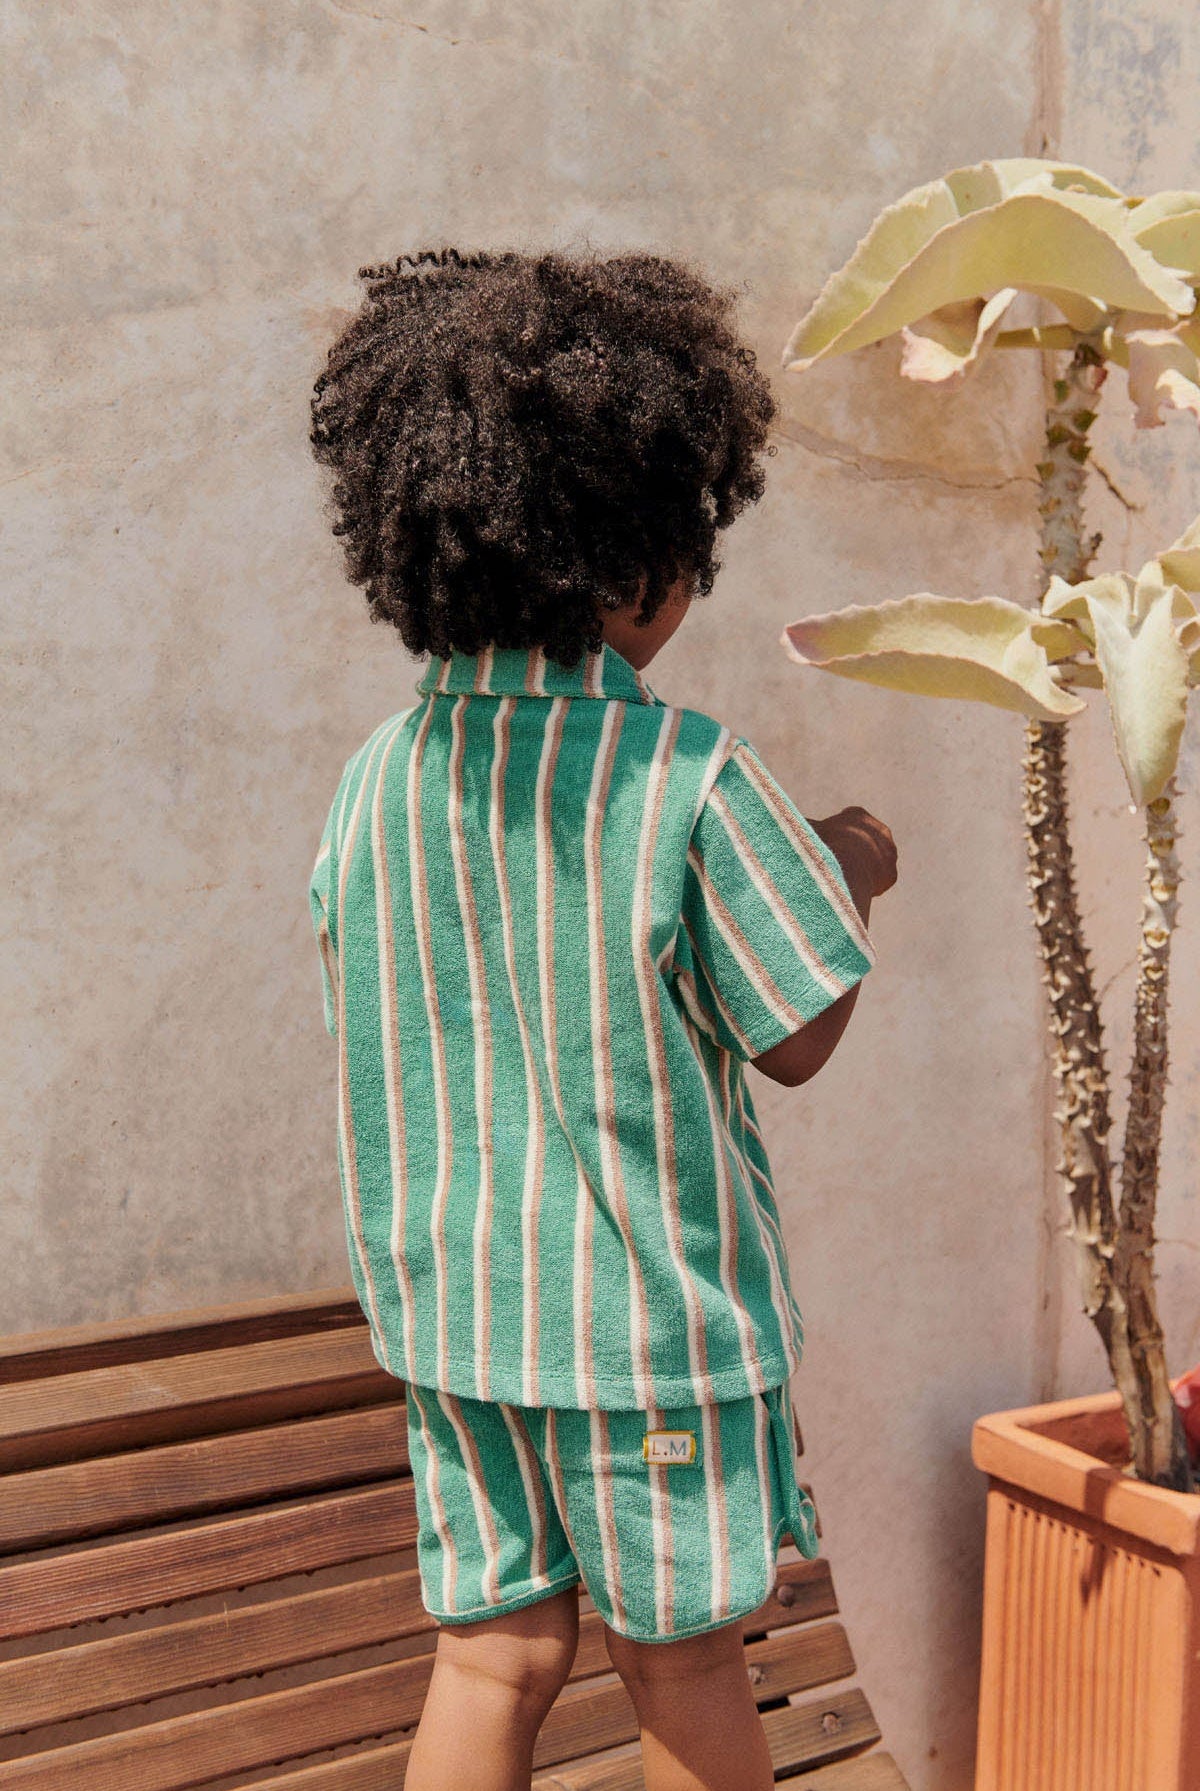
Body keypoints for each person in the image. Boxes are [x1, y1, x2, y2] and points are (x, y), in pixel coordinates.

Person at [307, 246, 897, 1791]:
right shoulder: (687, 774)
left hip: (457, 1325)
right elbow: (796, 1031)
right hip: (644, 1335)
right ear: (639, 562)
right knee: (684, 1657)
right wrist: (847, 867)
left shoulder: (377, 781)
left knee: (492, 1655)